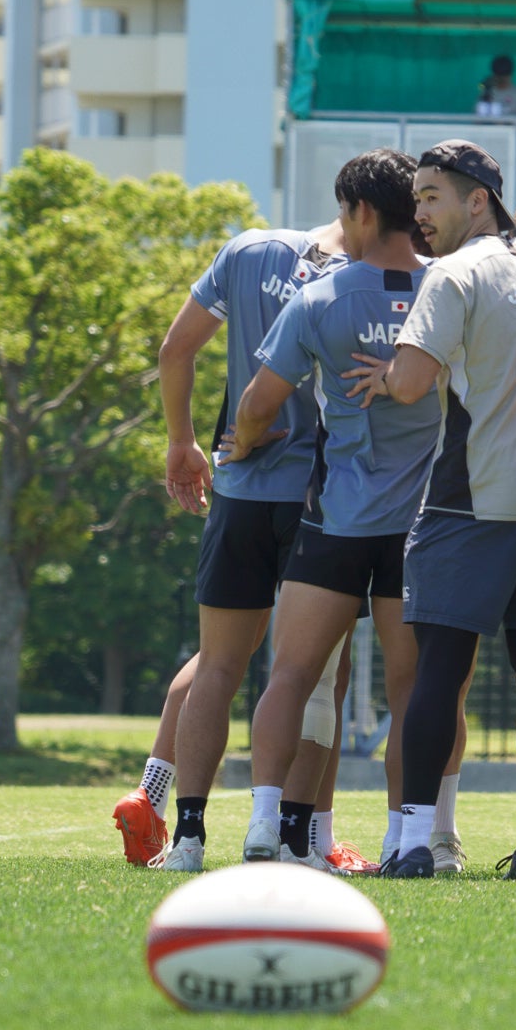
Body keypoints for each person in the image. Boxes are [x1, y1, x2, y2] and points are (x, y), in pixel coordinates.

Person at [344, 140, 516, 880]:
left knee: (440, 669)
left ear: (478, 201)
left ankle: (414, 844)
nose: (420, 213)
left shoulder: (452, 274)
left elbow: (410, 381)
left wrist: (387, 375)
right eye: (416, 199)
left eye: (431, 197)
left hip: (471, 497)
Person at [219, 148, 445, 874]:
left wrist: (242, 440)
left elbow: (259, 402)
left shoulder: (319, 297)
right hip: (422, 524)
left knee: (291, 672)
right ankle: (406, 838)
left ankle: (263, 822)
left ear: (362, 212)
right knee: (412, 688)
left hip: (338, 515)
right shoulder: (450, 290)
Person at [136, 209, 364, 874]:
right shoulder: (372, 277)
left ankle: (184, 835)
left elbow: (175, 350)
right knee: (318, 677)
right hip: (319, 500)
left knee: (215, 665)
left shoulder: (246, 250)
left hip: (238, 491)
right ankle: (303, 839)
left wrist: (181, 442)